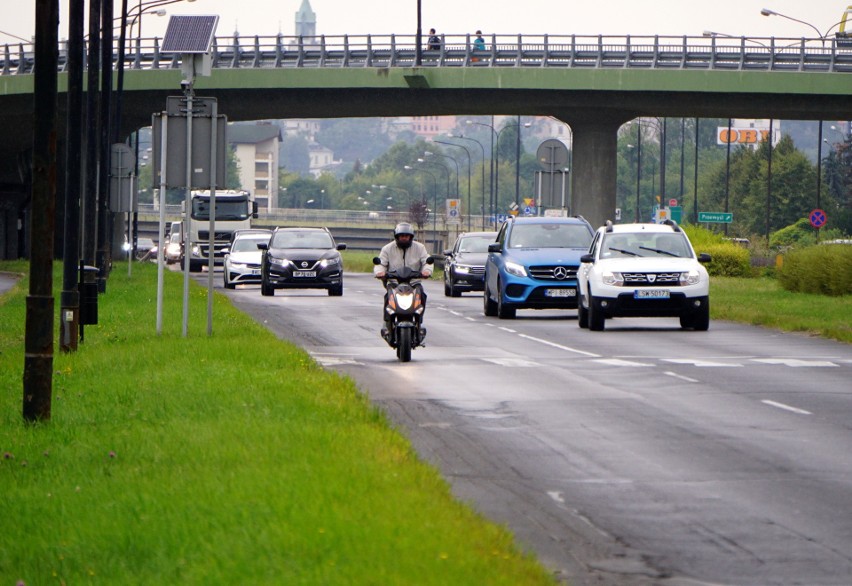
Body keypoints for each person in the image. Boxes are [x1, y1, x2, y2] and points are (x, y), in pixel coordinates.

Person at [374, 222, 433, 333]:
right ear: (397, 237)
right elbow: (380, 263)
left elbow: (427, 261)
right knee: (388, 296)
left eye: (407, 236)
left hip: (413, 282)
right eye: (402, 236)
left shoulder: (420, 248)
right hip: (394, 282)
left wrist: (426, 271)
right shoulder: (387, 248)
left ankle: (418, 321)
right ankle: (387, 323)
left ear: (411, 237)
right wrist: (380, 272)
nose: (404, 238)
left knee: (422, 295)